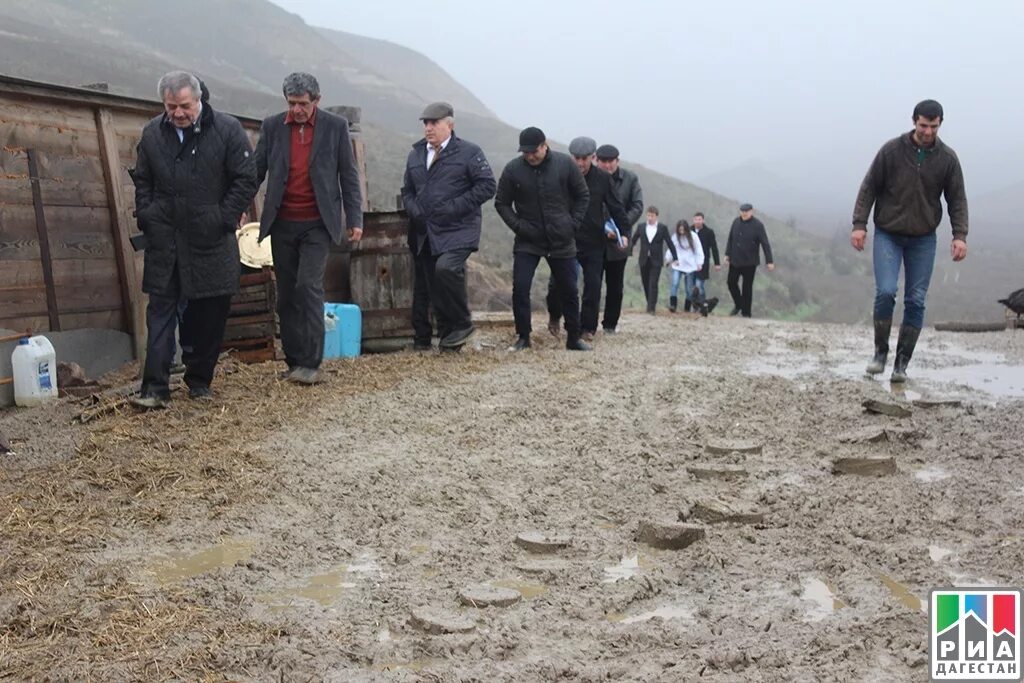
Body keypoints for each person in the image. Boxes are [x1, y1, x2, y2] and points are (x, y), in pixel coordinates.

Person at [131, 71, 257, 409]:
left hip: (211, 240)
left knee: (210, 312)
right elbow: (142, 179)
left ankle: (199, 379)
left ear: (199, 100)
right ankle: (154, 389)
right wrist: (147, 213)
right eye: (171, 106)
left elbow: (247, 179)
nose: (178, 113)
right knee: (159, 311)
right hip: (165, 240)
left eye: (184, 105)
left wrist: (223, 216)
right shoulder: (153, 134)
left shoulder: (228, 130)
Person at [254, 72, 364, 384]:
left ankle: (312, 362)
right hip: (283, 222)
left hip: (318, 223)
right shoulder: (273, 126)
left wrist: (355, 219)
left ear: (317, 100)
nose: (297, 109)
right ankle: (294, 359)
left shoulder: (335, 126)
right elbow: (256, 171)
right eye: (292, 103)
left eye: (303, 103)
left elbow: (349, 174)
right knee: (286, 294)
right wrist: (235, 208)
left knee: (308, 286)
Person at [851, 99, 968, 383]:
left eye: (934, 126)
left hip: (923, 238)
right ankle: (880, 353)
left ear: (940, 124)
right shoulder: (891, 151)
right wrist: (859, 225)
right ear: (914, 121)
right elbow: (869, 187)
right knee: (886, 291)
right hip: (889, 233)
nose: (928, 131)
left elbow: (957, 199)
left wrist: (959, 235)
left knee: (915, 300)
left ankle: (901, 364)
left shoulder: (947, 159)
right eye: (923, 125)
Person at [401, 102, 496, 352]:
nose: (429, 128)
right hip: (425, 232)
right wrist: (414, 210)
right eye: (426, 123)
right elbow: (407, 191)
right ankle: (449, 339)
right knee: (434, 284)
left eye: (434, 123)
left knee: (446, 270)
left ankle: (463, 323)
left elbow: (487, 186)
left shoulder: (469, 152)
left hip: (459, 229)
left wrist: (455, 207)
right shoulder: (416, 154)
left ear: (449, 125)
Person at [494, 127, 591, 351]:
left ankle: (573, 338)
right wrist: (519, 226)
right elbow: (501, 203)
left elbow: (582, 195)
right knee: (520, 287)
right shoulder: (513, 170)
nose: (529, 156)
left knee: (569, 289)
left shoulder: (565, 164)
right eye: (525, 152)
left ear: (544, 145)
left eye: (533, 151)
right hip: (528, 240)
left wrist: (572, 224)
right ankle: (523, 337)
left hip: (562, 239)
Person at [545, 136, 632, 341]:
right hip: (566, 240)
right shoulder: (562, 175)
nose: (580, 163)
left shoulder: (603, 179)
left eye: (584, 158)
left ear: (593, 157)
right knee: (560, 284)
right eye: (576, 158)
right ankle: (555, 315)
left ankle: (586, 328)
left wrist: (625, 233)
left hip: (594, 241)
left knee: (593, 286)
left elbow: (616, 207)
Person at [595, 144, 644, 334]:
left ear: (617, 161)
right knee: (593, 283)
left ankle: (610, 324)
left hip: (619, 241)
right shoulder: (590, 179)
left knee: (615, 285)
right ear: (596, 161)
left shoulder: (630, 179)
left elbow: (637, 206)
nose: (607, 166)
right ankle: (588, 323)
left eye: (610, 162)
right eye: (603, 162)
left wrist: (621, 226)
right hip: (595, 240)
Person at [724, 203, 774, 317]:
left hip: (749, 262)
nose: (744, 213)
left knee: (747, 288)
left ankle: (746, 313)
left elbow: (765, 243)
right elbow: (730, 238)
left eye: (746, 211)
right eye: (742, 211)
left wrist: (769, 261)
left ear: (752, 211)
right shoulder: (736, 222)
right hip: (735, 260)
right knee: (731, 282)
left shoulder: (758, 225)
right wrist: (727, 254)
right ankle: (738, 304)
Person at [631, 207, 678, 314]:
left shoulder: (662, 228)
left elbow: (669, 242)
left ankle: (651, 308)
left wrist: (675, 257)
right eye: (648, 215)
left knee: (653, 283)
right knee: (646, 282)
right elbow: (634, 240)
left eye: (652, 216)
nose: (650, 218)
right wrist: (628, 251)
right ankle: (649, 302)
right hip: (643, 259)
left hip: (656, 260)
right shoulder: (641, 227)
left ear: (656, 216)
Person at [667, 219, 704, 313]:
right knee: (675, 283)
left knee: (689, 288)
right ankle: (673, 305)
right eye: (680, 230)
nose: (682, 232)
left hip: (690, 266)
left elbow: (698, 250)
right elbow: (671, 248)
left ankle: (687, 308)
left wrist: (699, 263)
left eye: (683, 230)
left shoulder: (693, 236)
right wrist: (668, 259)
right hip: (678, 264)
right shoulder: (675, 237)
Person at [692, 211, 721, 308]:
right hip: (690, 262)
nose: (698, 221)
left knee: (699, 284)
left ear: (703, 220)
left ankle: (703, 305)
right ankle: (694, 306)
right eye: (696, 219)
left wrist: (717, 263)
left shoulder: (709, 232)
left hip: (704, 263)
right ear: (693, 220)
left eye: (700, 219)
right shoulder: (689, 230)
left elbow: (714, 247)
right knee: (691, 285)